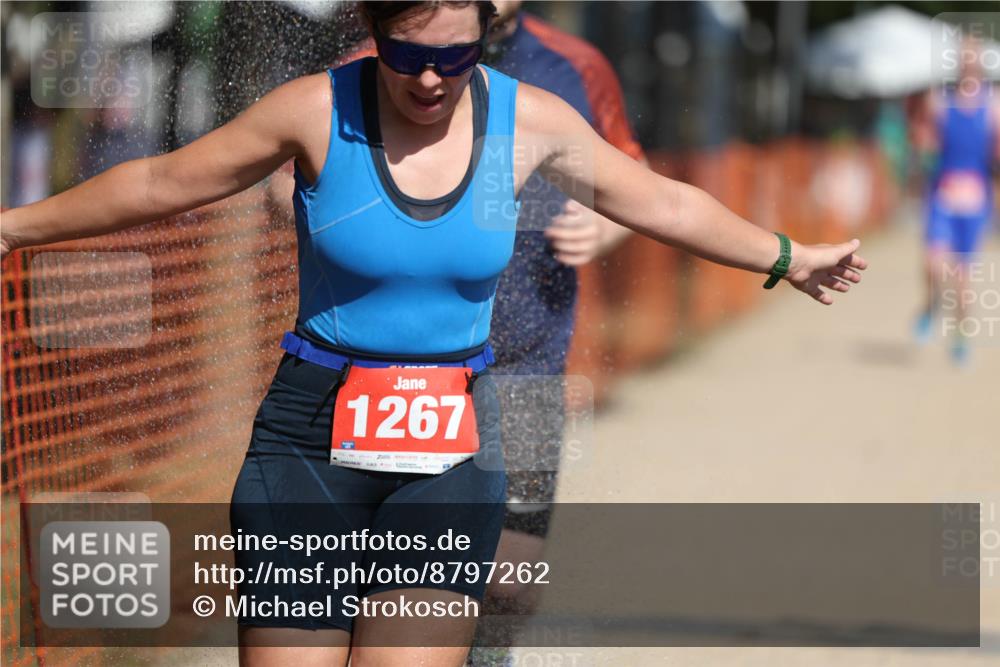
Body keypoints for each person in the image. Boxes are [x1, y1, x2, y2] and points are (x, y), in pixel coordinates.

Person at [0, 2, 868, 665]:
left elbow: (665, 201)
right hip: (307, 446)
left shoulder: (529, 120)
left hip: (448, 453)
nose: (429, 80)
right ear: (374, 34)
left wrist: (787, 255)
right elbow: (158, 183)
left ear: (482, 38)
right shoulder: (311, 110)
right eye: (408, 57)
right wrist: (13, 227)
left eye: (453, 57)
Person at [912, 37, 999, 366]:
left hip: (975, 204)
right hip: (943, 198)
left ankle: (961, 338)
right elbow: (924, 140)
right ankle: (931, 306)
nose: (968, 62)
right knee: (933, 265)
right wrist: (923, 146)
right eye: (963, 57)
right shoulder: (939, 102)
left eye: (972, 56)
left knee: (962, 282)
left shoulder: (993, 105)